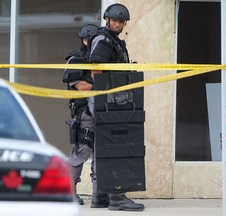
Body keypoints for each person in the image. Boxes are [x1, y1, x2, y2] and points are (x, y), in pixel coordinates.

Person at [87, 3, 145, 211]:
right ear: (106, 19)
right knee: (115, 146)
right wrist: (105, 101)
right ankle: (117, 196)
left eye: (121, 21)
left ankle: (100, 196)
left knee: (104, 146)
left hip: (113, 100)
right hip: (108, 101)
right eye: (115, 20)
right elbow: (96, 70)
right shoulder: (103, 40)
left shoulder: (114, 41)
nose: (118, 24)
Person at [63, 23, 99, 205]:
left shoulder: (100, 59)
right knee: (81, 152)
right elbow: (81, 87)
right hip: (84, 113)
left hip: (102, 112)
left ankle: (98, 194)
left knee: (101, 154)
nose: (88, 42)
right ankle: (69, 192)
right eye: (86, 39)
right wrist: (101, 85)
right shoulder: (75, 60)